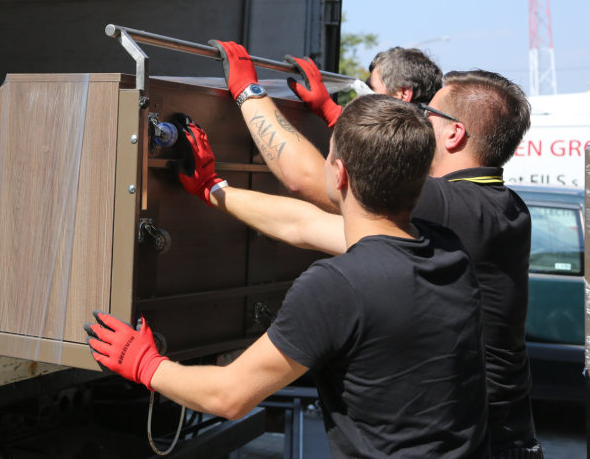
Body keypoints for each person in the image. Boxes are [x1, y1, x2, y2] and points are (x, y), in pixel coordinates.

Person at [86, 95, 490, 458]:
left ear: (339, 174)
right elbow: (304, 224)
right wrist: (214, 189)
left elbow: (229, 396)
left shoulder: (337, 285)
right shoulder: (447, 249)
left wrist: (146, 365)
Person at [204, 40, 541, 458]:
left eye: (427, 113)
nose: (418, 120)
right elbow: (307, 225)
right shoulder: (497, 208)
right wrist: (214, 189)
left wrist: (248, 92)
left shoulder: (455, 207)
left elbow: (310, 179)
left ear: (454, 133)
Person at [287, 46, 442, 127]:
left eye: (371, 89)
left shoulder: (418, 146)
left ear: (403, 95)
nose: (362, 97)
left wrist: (332, 113)